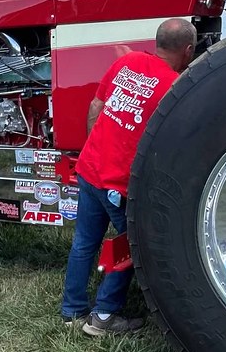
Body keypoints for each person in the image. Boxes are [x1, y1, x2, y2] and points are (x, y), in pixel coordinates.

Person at [61, 18, 197, 336]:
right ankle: (104, 317)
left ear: (158, 42)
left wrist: (97, 152)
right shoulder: (174, 88)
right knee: (130, 248)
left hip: (89, 169)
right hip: (116, 183)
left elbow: (97, 105)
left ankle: (72, 311)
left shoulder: (128, 61)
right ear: (188, 50)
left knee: (84, 242)